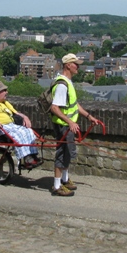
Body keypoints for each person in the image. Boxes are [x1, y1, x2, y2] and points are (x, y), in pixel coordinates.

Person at [49, 53, 100, 197]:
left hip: (67, 125)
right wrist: (70, 122)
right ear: (67, 66)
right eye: (75, 64)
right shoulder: (62, 85)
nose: (78, 66)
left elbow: (74, 104)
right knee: (62, 152)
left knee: (68, 152)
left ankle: (64, 179)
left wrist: (89, 116)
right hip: (63, 125)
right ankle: (57, 185)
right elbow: (55, 108)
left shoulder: (68, 82)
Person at [0, 81, 40, 167]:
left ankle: (32, 155)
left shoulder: (5, 102)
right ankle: (27, 159)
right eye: (4, 90)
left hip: (10, 125)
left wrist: (25, 117)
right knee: (19, 134)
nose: (7, 92)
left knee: (29, 131)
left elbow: (16, 113)